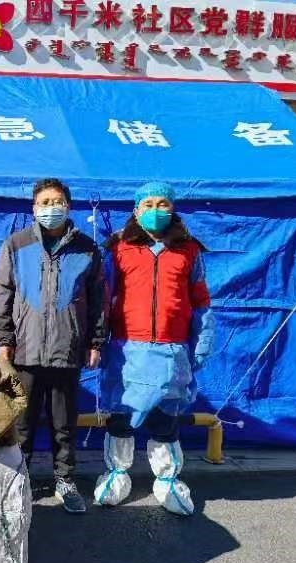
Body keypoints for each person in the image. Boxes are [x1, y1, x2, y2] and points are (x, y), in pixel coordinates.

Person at [94, 182, 214, 516]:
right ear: (136, 210)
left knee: (165, 418)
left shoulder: (189, 250)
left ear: (172, 209)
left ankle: (167, 479)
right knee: (122, 416)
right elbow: (102, 298)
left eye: (163, 204)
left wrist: (202, 342)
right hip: (126, 351)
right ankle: (117, 474)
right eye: (148, 204)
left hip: (171, 351)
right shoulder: (118, 248)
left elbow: (200, 301)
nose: (155, 210)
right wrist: (97, 340)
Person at [0, 178, 107, 514]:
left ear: (68, 206)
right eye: (44, 202)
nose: (51, 208)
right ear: (34, 208)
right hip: (25, 350)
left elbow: (98, 300)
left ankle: (65, 480)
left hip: (66, 349)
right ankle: (20, 479)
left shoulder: (87, 248)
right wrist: (4, 340)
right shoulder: (16, 244)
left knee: (64, 424)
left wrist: (95, 341)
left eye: (57, 202)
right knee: (22, 423)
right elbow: (3, 293)